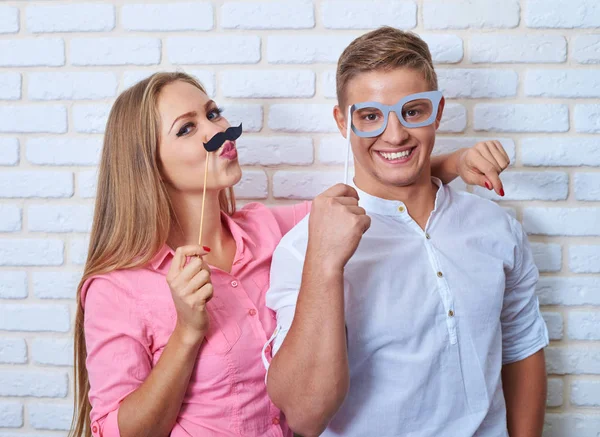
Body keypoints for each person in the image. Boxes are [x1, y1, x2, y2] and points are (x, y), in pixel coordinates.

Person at [69, 71, 511, 437]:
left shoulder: (270, 229)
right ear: (149, 165)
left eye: (212, 113)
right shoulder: (116, 288)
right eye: (187, 128)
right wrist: (187, 331)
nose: (216, 130)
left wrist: (453, 164)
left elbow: (363, 195)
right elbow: (118, 431)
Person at [265, 27, 548, 437]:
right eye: (370, 116)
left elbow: (521, 348)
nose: (394, 135)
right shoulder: (303, 248)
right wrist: (325, 264)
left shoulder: (496, 228)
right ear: (343, 122)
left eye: (412, 111)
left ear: (437, 110)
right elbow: (306, 416)